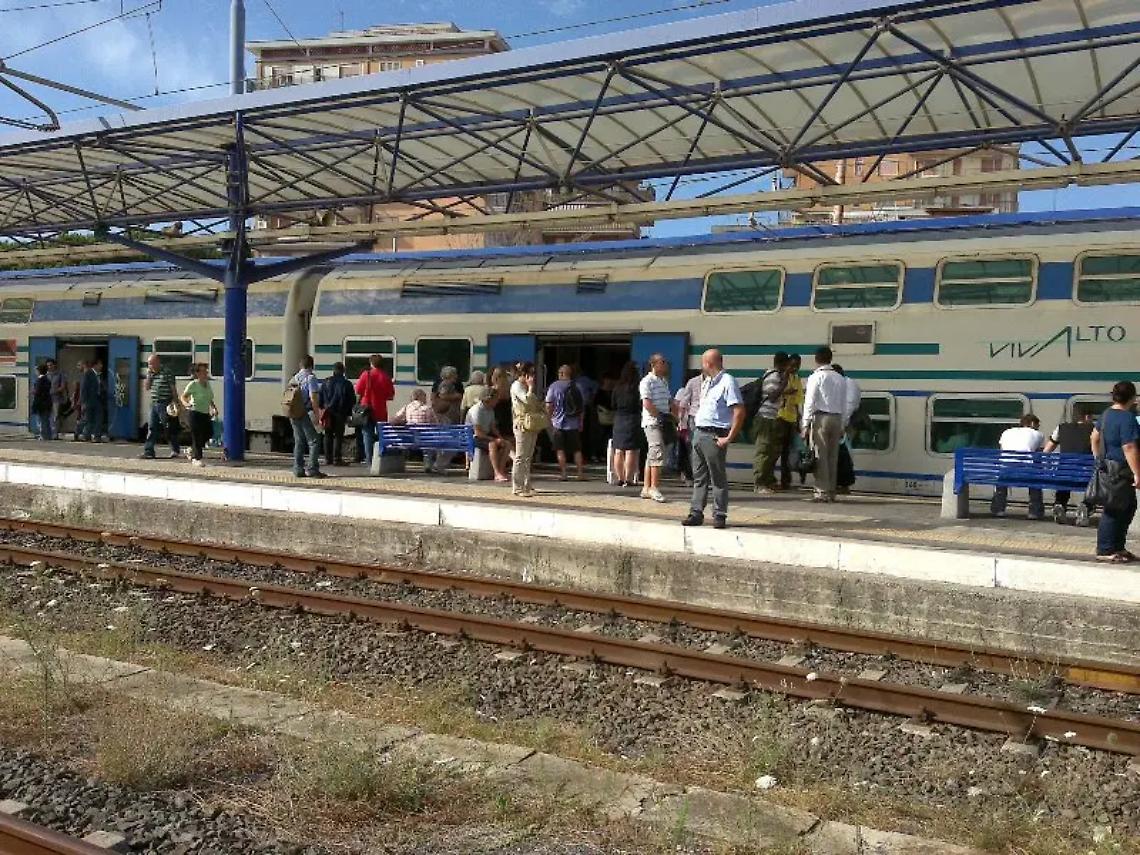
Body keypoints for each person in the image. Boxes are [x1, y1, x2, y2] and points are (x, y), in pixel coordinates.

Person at [682, 349, 745, 529]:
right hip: (699, 433)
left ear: (709, 363)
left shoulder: (728, 381)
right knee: (699, 476)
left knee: (717, 476)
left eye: (703, 362)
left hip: (714, 434)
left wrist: (729, 438)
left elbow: (739, 411)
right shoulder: (707, 383)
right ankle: (696, 512)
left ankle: (719, 514)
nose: (701, 366)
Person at [1090, 382, 1140, 563]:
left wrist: (1099, 459)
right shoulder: (1127, 418)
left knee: (1128, 507)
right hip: (1121, 469)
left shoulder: (1106, 415)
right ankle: (1105, 549)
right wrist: (1137, 473)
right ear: (1132, 398)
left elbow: (1094, 437)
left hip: (1109, 468)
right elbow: (1129, 447)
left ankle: (1118, 546)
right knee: (1114, 509)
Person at [802, 346, 846, 503]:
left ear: (816, 359)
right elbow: (844, 402)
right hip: (837, 418)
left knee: (820, 455)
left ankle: (822, 492)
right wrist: (843, 424)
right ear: (830, 359)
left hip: (821, 418)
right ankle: (832, 491)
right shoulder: (840, 378)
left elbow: (810, 401)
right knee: (833, 456)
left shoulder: (816, 377)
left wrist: (805, 424)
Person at [1043, 410, 1096, 525]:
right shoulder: (1095, 429)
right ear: (1087, 417)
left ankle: (1060, 503)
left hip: (1064, 472)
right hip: (1085, 474)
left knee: (1064, 476)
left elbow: (1047, 451)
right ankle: (1086, 506)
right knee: (1096, 481)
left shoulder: (1061, 428)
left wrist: (1049, 465)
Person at [751, 352, 792, 495]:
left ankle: (768, 480)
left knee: (771, 452)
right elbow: (773, 397)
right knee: (763, 450)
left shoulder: (777, 376)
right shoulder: (774, 376)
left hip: (771, 418)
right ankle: (759, 483)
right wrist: (784, 384)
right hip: (765, 418)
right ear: (784, 364)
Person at [991, 414, 1046, 519]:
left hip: (1006, 471)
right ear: (1032, 423)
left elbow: (1002, 451)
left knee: (1002, 477)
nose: (1038, 428)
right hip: (1026, 471)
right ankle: (1034, 512)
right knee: (1036, 477)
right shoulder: (1038, 434)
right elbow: (1038, 455)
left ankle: (999, 510)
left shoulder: (1007, 432)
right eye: (1037, 425)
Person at [639, 354, 673, 503]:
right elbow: (646, 403)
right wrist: (659, 416)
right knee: (657, 451)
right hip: (653, 422)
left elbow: (669, 401)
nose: (665, 365)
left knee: (652, 455)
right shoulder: (647, 381)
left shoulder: (663, 381)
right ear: (654, 364)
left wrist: (674, 416)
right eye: (662, 362)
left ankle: (646, 488)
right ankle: (654, 487)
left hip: (663, 421)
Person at [545, 364, 586, 481]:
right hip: (574, 424)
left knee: (560, 449)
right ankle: (580, 473)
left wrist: (549, 418)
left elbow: (549, 405)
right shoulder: (577, 386)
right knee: (577, 450)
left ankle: (564, 474)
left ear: (562, 374)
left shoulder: (554, 386)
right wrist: (581, 422)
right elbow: (581, 407)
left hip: (558, 423)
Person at [511, 362, 546, 498]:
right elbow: (526, 400)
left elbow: (534, 403)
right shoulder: (517, 386)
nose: (533, 377)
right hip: (522, 424)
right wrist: (531, 388)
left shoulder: (525, 386)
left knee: (528, 456)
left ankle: (526, 484)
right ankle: (517, 487)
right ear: (523, 374)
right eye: (530, 373)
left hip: (531, 423)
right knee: (520, 456)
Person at [355, 354, 395, 469]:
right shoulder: (386, 377)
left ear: (371, 363)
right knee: (381, 435)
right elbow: (391, 396)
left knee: (367, 435)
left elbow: (358, 390)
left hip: (366, 410)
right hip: (380, 410)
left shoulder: (366, 374)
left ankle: (369, 462)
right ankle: (380, 459)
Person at [289, 355, 325, 479]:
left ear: (301, 365)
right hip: (306, 413)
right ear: (311, 365)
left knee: (299, 441)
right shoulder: (311, 378)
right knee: (314, 441)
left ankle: (298, 469)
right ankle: (312, 469)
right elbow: (313, 398)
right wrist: (317, 414)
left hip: (294, 413)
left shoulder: (294, 378)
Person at [466, 387, 510, 482]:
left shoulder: (490, 410)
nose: (497, 401)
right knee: (492, 444)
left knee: (507, 444)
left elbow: (493, 427)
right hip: (474, 437)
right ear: (489, 399)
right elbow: (478, 432)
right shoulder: (476, 410)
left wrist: (500, 438)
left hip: (485, 435)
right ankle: (496, 473)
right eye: (496, 399)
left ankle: (501, 470)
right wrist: (494, 440)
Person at [141, 354, 180, 458]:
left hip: (165, 403)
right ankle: (149, 451)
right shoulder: (151, 374)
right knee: (152, 427)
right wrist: (149, 376)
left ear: (158, 362)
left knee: (168, 427)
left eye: (152, 363)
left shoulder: (167, 372)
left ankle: (175, 449)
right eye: (149, 364)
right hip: (154, 403)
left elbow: (173, 388)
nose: (150, 366)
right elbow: (147, 387)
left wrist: (176, 402)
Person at [179, 362, 217, 467]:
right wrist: (186, 403)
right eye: (203, 371)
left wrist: (213, 408)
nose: (205, 373)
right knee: (197, 436)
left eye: (206, 371)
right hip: (194, 413)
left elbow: (209, 398)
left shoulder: (207, 384)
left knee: (209, 433)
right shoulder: (193, 384)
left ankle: (191, 449)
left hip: (205, 413)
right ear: (197, 373)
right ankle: (196, 458)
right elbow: (183, 396)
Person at [610, 362, 642, 488]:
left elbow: (613, 404)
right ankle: (628, 479)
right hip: (633, 418)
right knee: (630, 451)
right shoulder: (638, 388)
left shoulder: (617, 387)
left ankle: (620, 478)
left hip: (619, 419)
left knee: (618, 450)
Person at [427, 366, 464, 473]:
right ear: (450, 375)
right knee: (450, 441)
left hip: (448, 416)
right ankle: (439, 465)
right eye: (455, 374)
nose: (456, 376)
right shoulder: (446, 384)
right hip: (447, 416)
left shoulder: (447, 384)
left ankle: (437, 464)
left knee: (447, 441)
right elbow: (442, 396)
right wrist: (457, 396)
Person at [832, 364, 862, 495]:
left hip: (846, 424)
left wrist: (841, 425)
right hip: (840, 422)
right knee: (838, 454)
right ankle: (839, 483)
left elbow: (849, 406)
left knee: (844, 454)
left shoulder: (849, 384)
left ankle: (844, 484)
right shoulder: (841, 384)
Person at [320, 362, 356, 467]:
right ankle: (337, 459)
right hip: (340, 412)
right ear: (343, 371)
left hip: (328, 412)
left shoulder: (326, 382)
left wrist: (322, 409)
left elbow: (320, 397)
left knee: (327, 434)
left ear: (333, 370)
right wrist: (349, 413)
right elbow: (351, 400)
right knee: (338, 436)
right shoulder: (347, 384)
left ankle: (328, 458)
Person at [777, 354, 803, 490]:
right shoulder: (782, 376)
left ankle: (785, 481)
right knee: (779, 450)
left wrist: (799, 419)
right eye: (792, 365)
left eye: (797, 366)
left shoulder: (797, 379)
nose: (795, 368)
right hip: (781, 416)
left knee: (787, 451)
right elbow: (775, 393)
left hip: (791, 417)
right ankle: (774, 479)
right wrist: (787, 391)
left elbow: (798, 400)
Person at [674, 371, 703, 487]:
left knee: (689, 450)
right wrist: (679, 420)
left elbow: (677, 406)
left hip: (687, 424)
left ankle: (690, 475)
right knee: (687, 451)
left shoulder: (701, 389)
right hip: (686, 424)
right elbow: (678, 406)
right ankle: (688, 474)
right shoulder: (682, 391)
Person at [77, 359, 106, 444]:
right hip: (89, 400)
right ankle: (83, 434)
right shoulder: (88, 374)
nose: (101, 366)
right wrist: (83, 402)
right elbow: (84, 388)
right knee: (88, 419)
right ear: (95, 365)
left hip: (98, 400)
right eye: (100, 364)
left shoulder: (100, 375)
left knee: (99, 419)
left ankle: (97, 436)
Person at [31, 363, 52, 441]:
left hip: (41, 403)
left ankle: (43, 435)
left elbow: (38, 392)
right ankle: (48, 435)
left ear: (39, 371)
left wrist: (33, 392)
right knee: (46, 420)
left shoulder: (40, 380)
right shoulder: (47, 379)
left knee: (41, 420)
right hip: (47, 402)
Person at [46, 359, 66, 440]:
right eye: (48, 365)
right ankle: (48, 432)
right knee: (48, 416)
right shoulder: (46, 375)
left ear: (54, 365)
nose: (49, 367)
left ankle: (55, 434)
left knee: (55, 416)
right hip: (47, 399)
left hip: (56, 398)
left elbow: (63, 386)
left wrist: (54, 391)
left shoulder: (60, 374)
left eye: (51, 365)